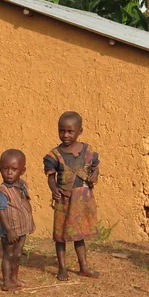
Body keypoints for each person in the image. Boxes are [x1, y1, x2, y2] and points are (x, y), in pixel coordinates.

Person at [44, 111, 100, 281]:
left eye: (70, 131)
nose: (65, 135)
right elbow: (50, 176)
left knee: (79, 235)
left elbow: (95, 167)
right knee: (60, 236)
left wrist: (95, 174)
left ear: (79, 131)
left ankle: (84, 267)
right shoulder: (54, 155)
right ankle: (62, 268)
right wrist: (53, 190)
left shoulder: (87, 151)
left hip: (82, 200)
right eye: (62, 131)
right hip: (64, 199)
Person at [0, 149, 35, 291]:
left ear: (22, 171)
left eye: (14, 169)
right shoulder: (3, 191)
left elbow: (25, 203)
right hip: (10, 231)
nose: (9, 173)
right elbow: (1, 211)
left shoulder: (22, 186)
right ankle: (6, 282)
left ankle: (14, 277)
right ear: (0, 169)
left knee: (17, 254)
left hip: (22, 229)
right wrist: (9, 230)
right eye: (5, 169)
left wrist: (30, 220)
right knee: (8, 254)